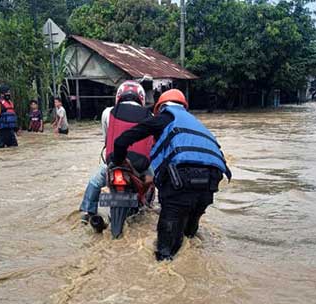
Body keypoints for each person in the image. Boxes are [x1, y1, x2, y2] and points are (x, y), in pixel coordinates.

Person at [113, 89, 232, 261]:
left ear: (160, 106)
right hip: (212, 180)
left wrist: (119, 161)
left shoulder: (163, 119)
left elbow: (121, 141)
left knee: (167, 243)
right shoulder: (196, 123)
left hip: (182, 178)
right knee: (190, 236)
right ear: (184, 106)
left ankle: (163, 274)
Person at [79, 81, 154, 222]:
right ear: (141, 97)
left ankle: (88, 212)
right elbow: (150, 143)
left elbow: (107, 138)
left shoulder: (108, 112)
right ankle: (147, 206)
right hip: (139, 165)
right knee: (152, 179)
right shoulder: (149, 114)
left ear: (119, 95)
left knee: (95, 182)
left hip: (115, 161)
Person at [0, 84, 18, 148]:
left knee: (14, 148)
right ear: (2, 94)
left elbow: (13, 117)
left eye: (9, 92)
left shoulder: (10, 103)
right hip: (1, 131)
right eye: (7, 92)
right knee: (0, 149)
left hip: (10, 131)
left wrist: (16, 129)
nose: (9, 94)